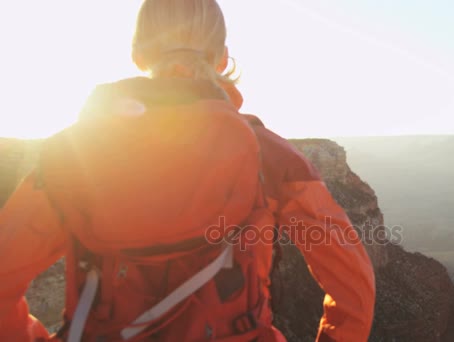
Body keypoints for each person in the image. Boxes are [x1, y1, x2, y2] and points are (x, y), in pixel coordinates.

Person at [0, 0, 375, 341]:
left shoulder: (71, 156)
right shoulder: (270, 157)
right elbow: (353, 284)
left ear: (137, 54)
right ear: (223, 58)